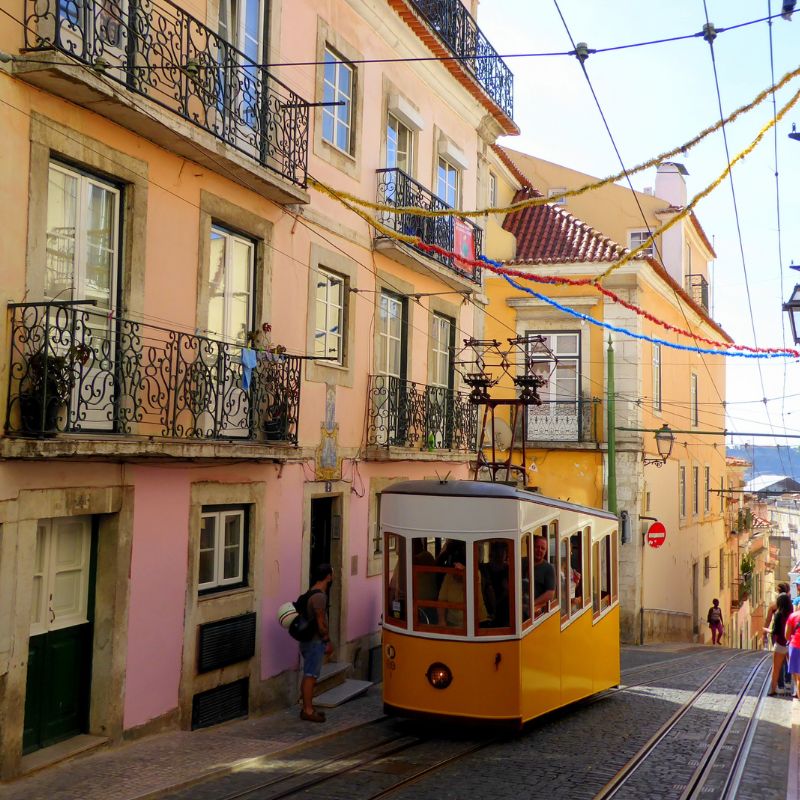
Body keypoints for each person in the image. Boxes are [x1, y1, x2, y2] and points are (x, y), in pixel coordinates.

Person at [299, 563, 334, 723]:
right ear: (328, 576)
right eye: (331, 573)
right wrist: (327, 640)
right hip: (314, 642)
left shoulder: (309, 592)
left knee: (309, 674)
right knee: (310, 676)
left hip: (307, 641)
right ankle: (308, 710)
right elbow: (321, 624)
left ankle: (307, 708)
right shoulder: (319, 596)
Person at [766, 592, 792, 696]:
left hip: (780, 645)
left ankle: (773, 690)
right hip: (791, 645)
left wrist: (766, 630)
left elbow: (775, 631)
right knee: (793, 667)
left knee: (776, 669)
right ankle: (792, 689)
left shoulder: (778, 615)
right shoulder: (792, 614)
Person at [533, 534, 555, 616]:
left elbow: (550, 593)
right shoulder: (522, 562)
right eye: (537, 547)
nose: (539, 550)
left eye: (542, 548)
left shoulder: (548, 568)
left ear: (546, 551)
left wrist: (533, 604)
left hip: (537, 613)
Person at [785, 596, 800, 699]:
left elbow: (786, 635)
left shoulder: (792, 616)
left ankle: (798, 693)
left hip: (794, 646)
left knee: (797, 675)